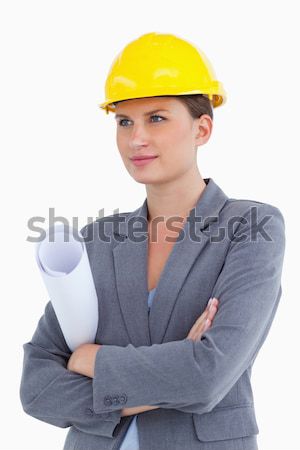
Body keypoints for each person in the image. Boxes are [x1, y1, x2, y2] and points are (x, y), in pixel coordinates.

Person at [20, 32, 286, 450]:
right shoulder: (95, 241)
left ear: (202, 129)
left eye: (156, 118)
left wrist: (92, 361)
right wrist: (165, 376)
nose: (135, 138)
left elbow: (206, 377)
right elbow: (37, 387)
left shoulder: (251, 228)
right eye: (124, 121)